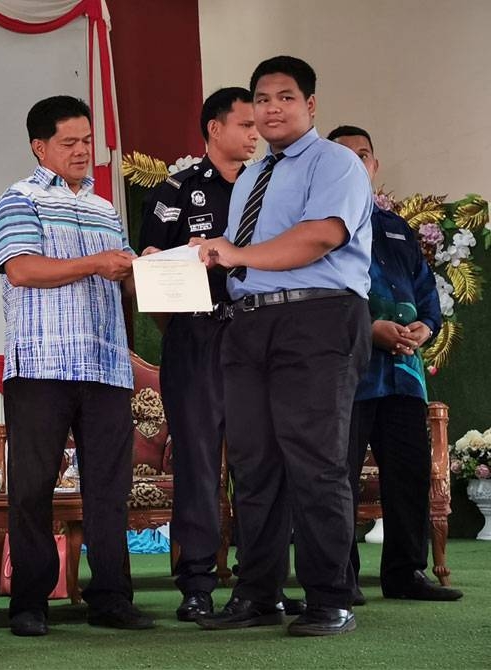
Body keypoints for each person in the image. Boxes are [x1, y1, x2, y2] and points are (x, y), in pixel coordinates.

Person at [192, 56, 373, 637]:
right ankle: (258, 593)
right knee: (253, 465)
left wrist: (235, 254)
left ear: (310, 105)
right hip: (248, 324)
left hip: (317, 319)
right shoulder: (250, 174)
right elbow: (235, 251)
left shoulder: (337, 162)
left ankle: (329, 597)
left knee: (316, 463)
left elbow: (321, 235)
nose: (272, 108)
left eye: (285, 97)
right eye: (262, 99)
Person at [0, 95, 153, 637]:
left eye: (87, 140)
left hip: (106, 364)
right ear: (41, 147)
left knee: (110, 487)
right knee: (33, 486)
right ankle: (30, 601)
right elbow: (21, 269)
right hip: (42, 362)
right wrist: (97, 263)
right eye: (70, 142)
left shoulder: (106, 208)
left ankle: (111, 597)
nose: (83, 150)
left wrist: (143, 268)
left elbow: (123, 276)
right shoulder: (18, 200)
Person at [327, 124, 463, 604]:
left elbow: (427, 296)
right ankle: (338, 579)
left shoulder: (396, 228)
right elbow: (318, 302)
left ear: (373, 165)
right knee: (337, 477)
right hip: (347, 376)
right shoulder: (322, 227)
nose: (356, 163)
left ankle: (405, 574)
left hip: (404, 377)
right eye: (344, 156)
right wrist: (370, 331)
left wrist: (425, 327)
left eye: (363, 155)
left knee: (408, 475)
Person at [138, 87, 257, 622]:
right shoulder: (179, 188)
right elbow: (152, 265)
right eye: (245, 125)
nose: (255, 134)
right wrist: (187, 326)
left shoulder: (270, 185)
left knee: (261, 461)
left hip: (260, 339)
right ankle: (198, 584)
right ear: (214, 129)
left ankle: (260, 578)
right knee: (199, 463)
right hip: (197, 338)